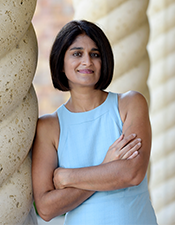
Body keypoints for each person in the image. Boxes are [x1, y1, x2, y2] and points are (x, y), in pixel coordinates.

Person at [32, 20, 158, 225]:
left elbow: (132, 173)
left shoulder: (129, 104)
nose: (87, 62)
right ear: (61, 63)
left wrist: (67, 177)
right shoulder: (49, 127)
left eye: (95, 54)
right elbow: (46, 208)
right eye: (77, 53)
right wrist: (108, 166)